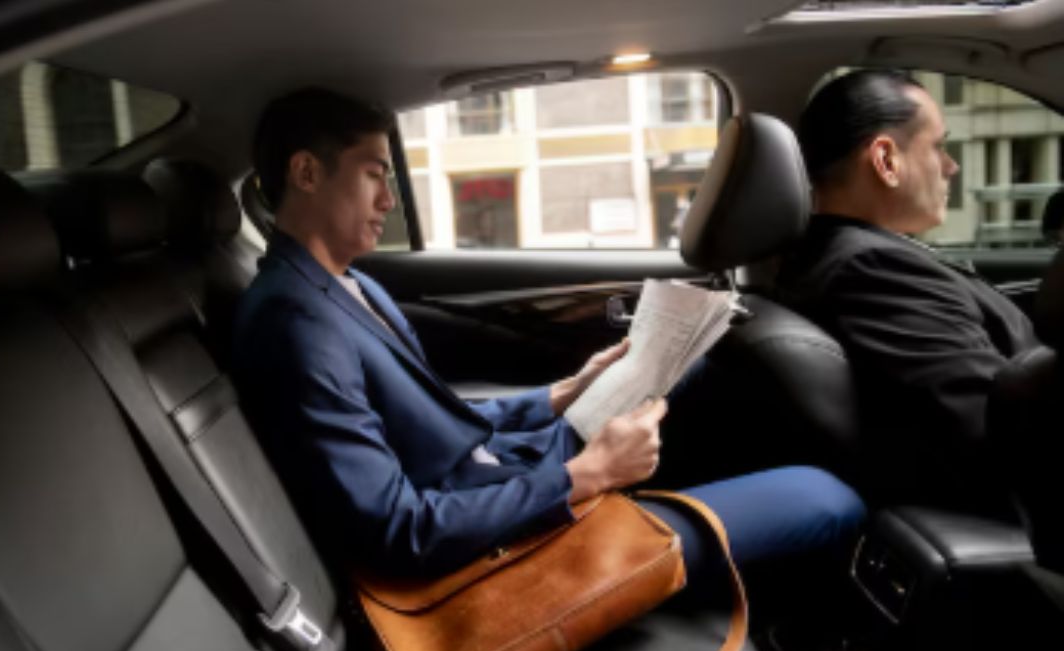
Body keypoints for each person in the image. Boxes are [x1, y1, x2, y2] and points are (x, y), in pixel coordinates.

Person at [233, 87, 864, 585]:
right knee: (826, 496)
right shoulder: (292, 325)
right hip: (497, 542)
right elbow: (398, 531)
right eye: (374, 173)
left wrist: (567, 391)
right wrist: (586, 476)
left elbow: (433, 419)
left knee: (690, 371)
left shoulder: (350, 285)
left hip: (505, 474)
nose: (389, 200)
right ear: (307, 173)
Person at [776, 70, 1042, 508]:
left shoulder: (838, 255)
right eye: (938, 146)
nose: (951, 165)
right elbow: (992, 429)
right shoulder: (875, 270)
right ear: (886, 160)